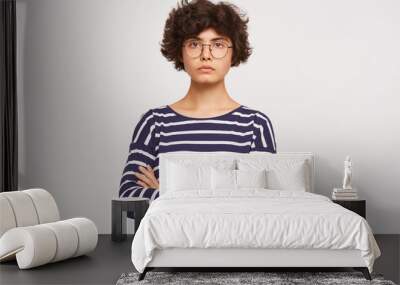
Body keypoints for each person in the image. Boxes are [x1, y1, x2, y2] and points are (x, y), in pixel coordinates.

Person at [119, 0, 277, 213]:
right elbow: (128, 200)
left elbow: (260, 203)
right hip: (165, 243)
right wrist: (221, 195)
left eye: (218, 44)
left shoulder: (255, 125)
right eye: (194, 44)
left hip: (234, 244)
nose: (206, 54)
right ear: (180, 52)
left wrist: (168, 193)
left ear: (233, 52)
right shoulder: (154, 123)